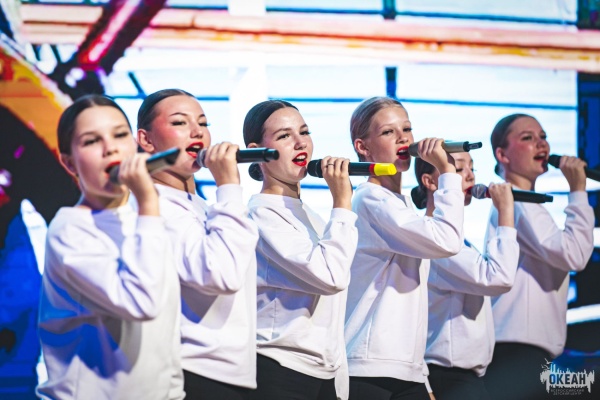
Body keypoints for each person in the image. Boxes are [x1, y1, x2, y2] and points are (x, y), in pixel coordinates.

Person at [37, 94, 183, 400]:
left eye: (119, 135)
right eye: (92, 141)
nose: (110, 148)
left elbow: (165, 330)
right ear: (69, 162)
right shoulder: (70, 229)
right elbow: (142, 303)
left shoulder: (143, 221)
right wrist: (148, 201)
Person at [136, 89, 259, 400]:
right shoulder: (153, 206)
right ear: (146, 140)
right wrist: (228, 185)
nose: (197, 132)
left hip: (233, 373)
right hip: (194, 371)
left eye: (203, 123)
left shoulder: (203, 207)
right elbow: (220, 274)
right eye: (180, 122)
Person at [343, 96, 465, 400]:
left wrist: (421, 376)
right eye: (389, 132)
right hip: (370, 367)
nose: (403, 138)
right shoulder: (371, 198)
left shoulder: (400, 204)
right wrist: (447, 172)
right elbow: (448, 240)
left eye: (407, 129)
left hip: (405, 368)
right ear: (362, 146)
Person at [242, 100, 358, 400]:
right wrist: (342, 201)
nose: (300, 142)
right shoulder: (261, 215)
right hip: (280, 368)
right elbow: (330, 277)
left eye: (304, 132)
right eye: (284, 136)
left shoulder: (312, 218)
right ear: (257, 151)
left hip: (324, 373)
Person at [481, 114, 595, 400]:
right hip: (517, 352)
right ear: (502, 155)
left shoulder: (522, 203)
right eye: (527, 138)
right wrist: (577, 191)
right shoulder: (518, 202)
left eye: (543, 136)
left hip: (526, 352)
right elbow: (573, 254)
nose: (541, 144)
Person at [411, 153, 518, 400]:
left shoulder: (456, 241)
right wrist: (505, 212)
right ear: (429, 181)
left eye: (472, 168)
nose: (470, 176)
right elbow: (499, 277)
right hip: (449, 376)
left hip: (465, 378)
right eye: (458, 169)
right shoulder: (435, 241)